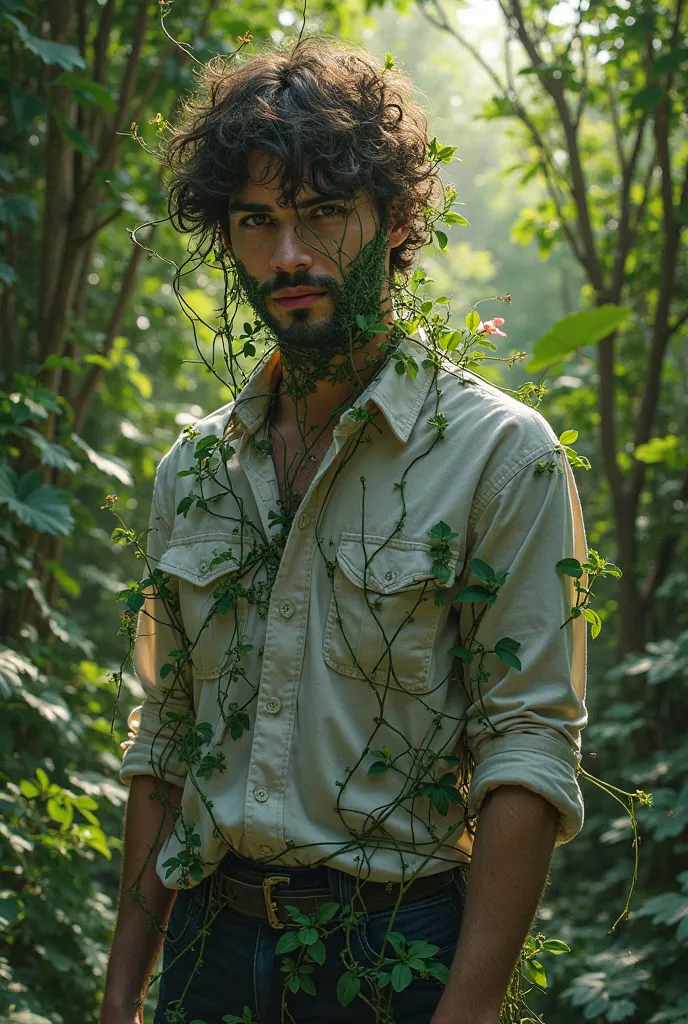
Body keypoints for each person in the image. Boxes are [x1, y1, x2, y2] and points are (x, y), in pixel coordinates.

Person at [100, 37, 587, 1024]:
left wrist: (466, 1009)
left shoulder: (501, 454)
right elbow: (168, 735)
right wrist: (121, 996)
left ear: (396, 220)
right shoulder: (193, 471)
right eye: (258, 220)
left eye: (323, 212)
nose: (288, 254)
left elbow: (528, 743)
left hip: (398, 951)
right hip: (210, 944)